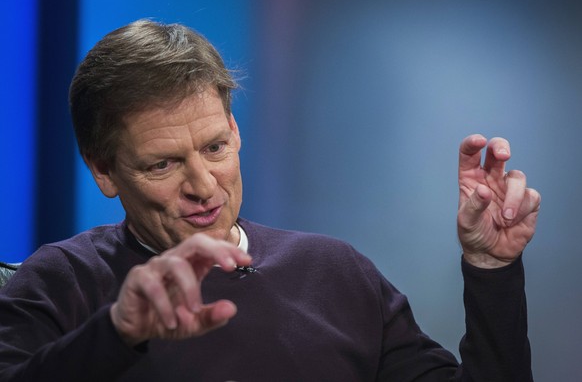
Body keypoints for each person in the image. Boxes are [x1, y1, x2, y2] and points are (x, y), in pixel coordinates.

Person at [0, 19, 541, 381]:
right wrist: (116, 333)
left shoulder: (336, 271)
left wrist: (491, 269)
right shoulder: (59, 282)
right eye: (162, 163)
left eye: (214, 148)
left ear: (236, 130)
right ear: (103, 170)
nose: (204, 185)